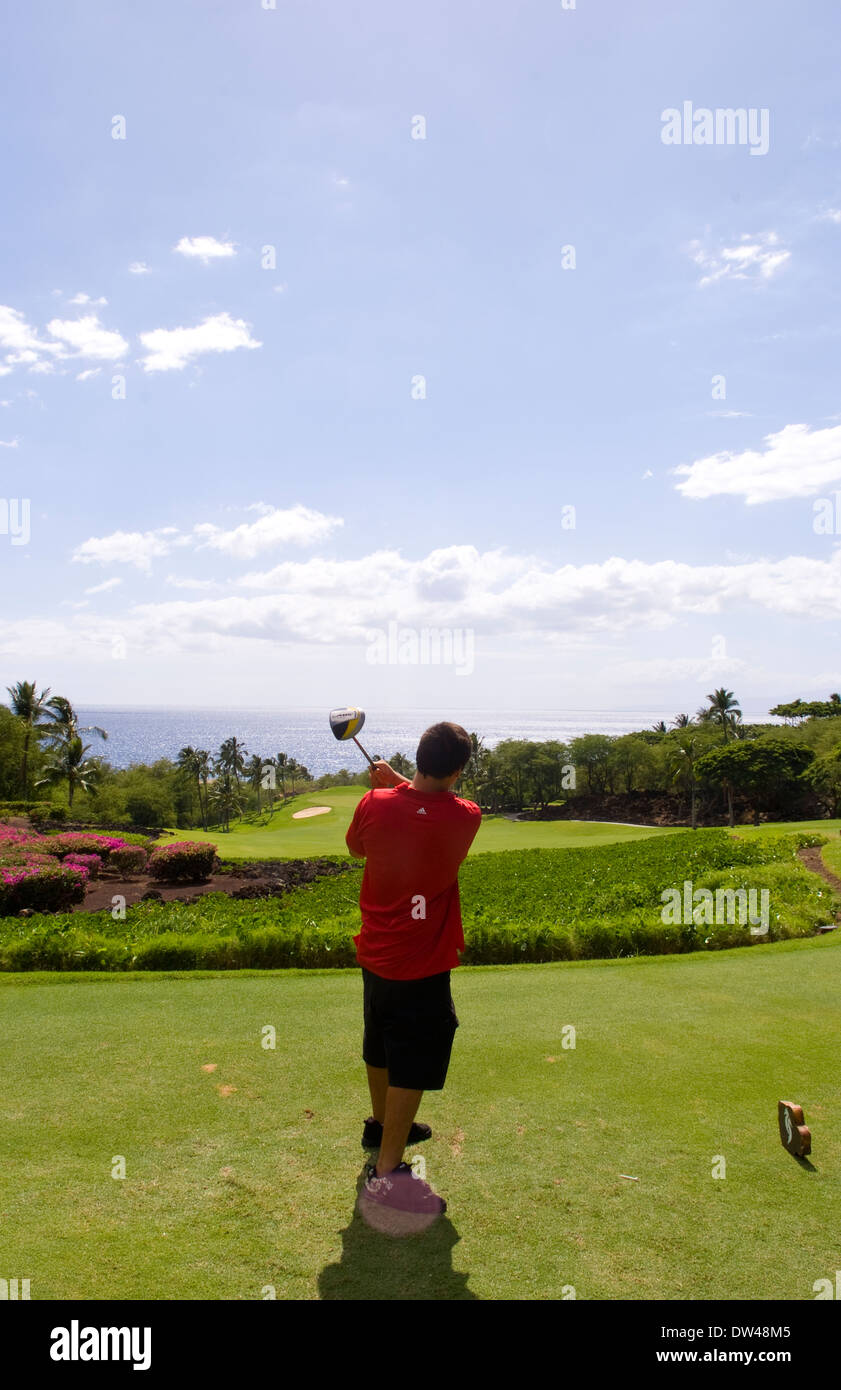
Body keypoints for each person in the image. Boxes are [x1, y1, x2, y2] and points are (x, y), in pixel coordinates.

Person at [345, 721, 481, 1220]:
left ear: (419, 756)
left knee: (380, 1042)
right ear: (458, 770)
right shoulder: (466, 817)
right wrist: (400, 783)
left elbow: (357, 848)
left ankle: (381, 1126)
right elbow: (435, 804)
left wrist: (393, 787)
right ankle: (386, 1173)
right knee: (413, 1061)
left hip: (376, 953)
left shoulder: (373, 803)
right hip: (422, 964)